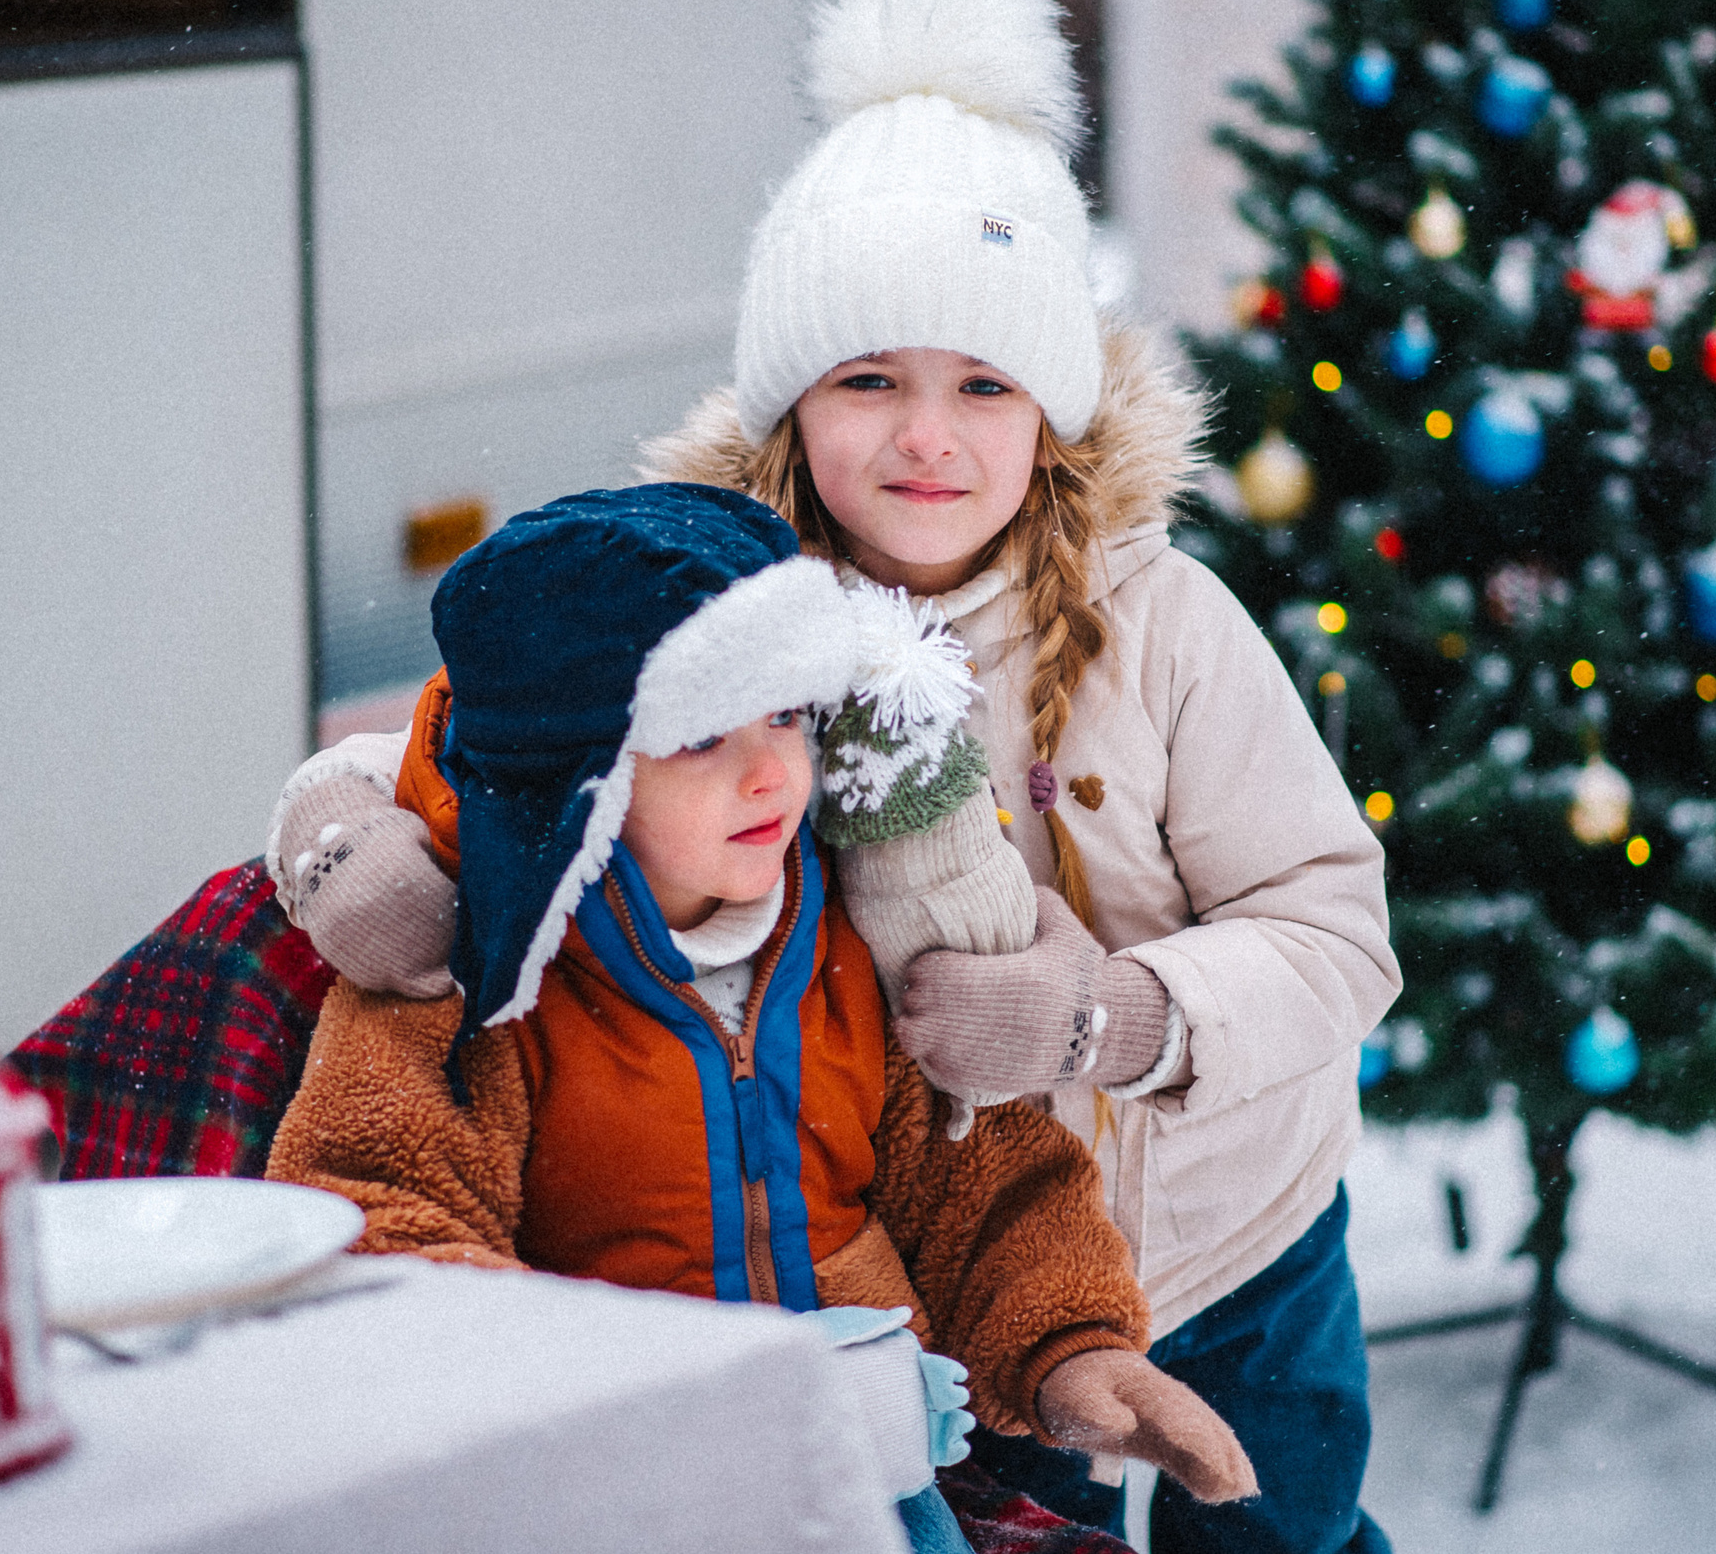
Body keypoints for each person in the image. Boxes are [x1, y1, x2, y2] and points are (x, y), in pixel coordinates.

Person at [270, 0, 1401, 1552]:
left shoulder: (1165, 625)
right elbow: (525, 715)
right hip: (972, 1269)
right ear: (795, 398)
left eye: (983, 383)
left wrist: (1113, 1016)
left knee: (1277, 1531)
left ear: (1055, 411)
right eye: (869, 377)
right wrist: (343, 820)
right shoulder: (721, 598)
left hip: (1234, 1242)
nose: (926, 436)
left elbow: (1334, 933)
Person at [266, 483, 1255, 1549]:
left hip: (862, 1473)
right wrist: (630, 1397)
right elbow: (383, 1220)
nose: (768, 772)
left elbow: (975, 1178)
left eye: (786, 714)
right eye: (701, 737)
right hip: (611, 1495)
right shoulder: (477, 988)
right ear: (575, 781)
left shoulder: (845, 930)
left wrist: (1073, 1349)